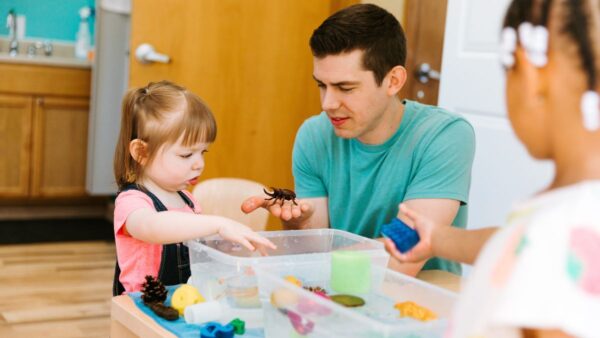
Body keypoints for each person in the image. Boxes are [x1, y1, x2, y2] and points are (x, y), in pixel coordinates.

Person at [385, 1, 600, 337]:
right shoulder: (567, 216)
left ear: (529, 76)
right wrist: (437, 239)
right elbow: (514, 241)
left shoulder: (555, 237)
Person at [242, 4, 475, 276]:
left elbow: (404, 253)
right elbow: (314, 247)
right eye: (321, 85)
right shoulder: (314, 135)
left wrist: (303, 262)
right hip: (340, 291)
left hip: (422, 297)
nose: (328, 103)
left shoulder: (443, 136)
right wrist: (299, 224)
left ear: (394, 81)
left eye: (345, 88)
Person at [112, 81, 275, 294]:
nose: (199, 163)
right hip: (140, 309)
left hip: (182, 301)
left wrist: (225, 250)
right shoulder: (132, 201)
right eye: (186, 155)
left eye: (203, 152)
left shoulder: (188, 200)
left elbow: (195, 251)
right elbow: (153, 227)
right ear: (141, 152)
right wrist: (219, 223)